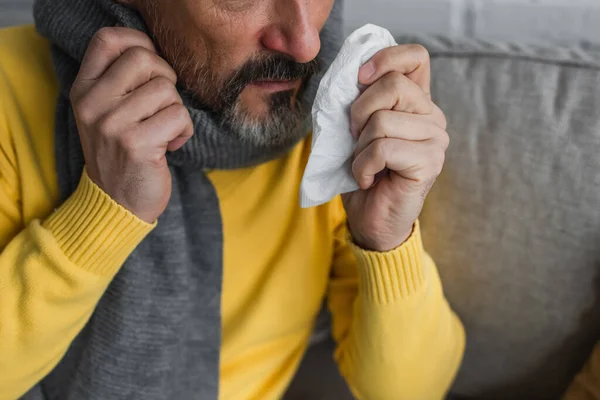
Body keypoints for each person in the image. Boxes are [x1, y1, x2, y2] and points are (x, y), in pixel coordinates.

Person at [0, 0, 464, 399]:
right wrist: (104, 212)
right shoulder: (9, 95)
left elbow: (411, 390)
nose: (305, 43)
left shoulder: (338, 128)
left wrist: (386, 236)